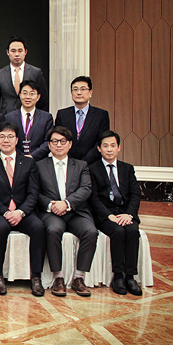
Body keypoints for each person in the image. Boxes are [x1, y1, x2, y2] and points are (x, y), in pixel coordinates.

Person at [0, 122, 46, 296]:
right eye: (2, 136)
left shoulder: (28, 162)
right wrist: (5, 212)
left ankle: (36, 277)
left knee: (38, 227)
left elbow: (33, 193)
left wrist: (21, 212)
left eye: (10, 136)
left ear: (17, 140)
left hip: (23, 211)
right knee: (0, 228)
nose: (6, 140)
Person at [36, 126, 98, 297]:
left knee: (90, 231)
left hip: (76, 211)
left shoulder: (81, 165)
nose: (59, 145)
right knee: (53, 230)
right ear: (49, 144)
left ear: (70, 144)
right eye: (54, 141)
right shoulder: (39, 166)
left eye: (63, 141)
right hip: (51, 212)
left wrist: (66, 203)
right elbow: (35, 192)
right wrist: (52, 205)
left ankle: (79, 278)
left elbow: (86, 188)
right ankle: (58, 277)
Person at [88, 130, 142, 296]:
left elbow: (135, 194)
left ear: (119, 148)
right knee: (118, 232)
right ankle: (118, 275)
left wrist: (129, 214)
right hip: (106, 214)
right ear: (99, 148)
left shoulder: (127, 168)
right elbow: (93, 198)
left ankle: (130, 277)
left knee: (132, 230)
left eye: (113, 145)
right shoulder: (92, 169)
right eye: (105, 146)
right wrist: (109, 216)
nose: (109, 149)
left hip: (125, 213)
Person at [55, 76, 110, 165]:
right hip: (67, 163)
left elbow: (102, 141)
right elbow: (59, 139)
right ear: (71, 93)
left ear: (90, 92)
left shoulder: (101, 115)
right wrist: (70, 160)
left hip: (92, 164)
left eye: (83, 89)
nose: (79, 92)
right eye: (75, 89)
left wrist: (84, 162)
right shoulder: (62, 114)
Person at [0, 36, 49, 114]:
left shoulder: (36, 72)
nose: (17, 54)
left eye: (20, 51)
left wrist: (32, 112)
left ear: (25, 52)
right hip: (6, 117)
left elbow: (43, 99)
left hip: (29, 116)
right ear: (7, 52)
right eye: (13, 51)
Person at [4, 80, 53, 162]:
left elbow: (48, 141)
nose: (28, 97)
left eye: (32, 94)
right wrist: (20, 157)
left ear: (38, 97)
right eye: (25, 93)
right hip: (15, 161)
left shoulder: (46, 117)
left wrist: (32, 156)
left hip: (39, 162)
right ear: (20, 95)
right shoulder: (9, 117)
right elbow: (6, 140)